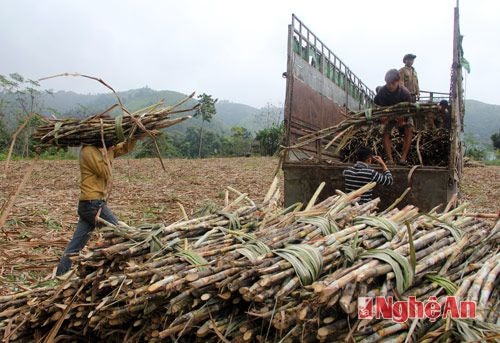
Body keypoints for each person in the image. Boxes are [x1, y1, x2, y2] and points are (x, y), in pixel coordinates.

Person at [55, 137, 137, 276]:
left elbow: (124, 148)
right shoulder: (89, 151)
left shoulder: (101, 149)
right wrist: (108, 151)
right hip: (92, 204)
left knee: (75, 246)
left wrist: (135, 136)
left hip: (91, 204)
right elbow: (106, 172)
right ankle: (129, 270)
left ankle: (60, 275)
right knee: (123, 233)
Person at [374, 69, 413, 166]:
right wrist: (383, 117)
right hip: (389, 114)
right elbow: (379, 107)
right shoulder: (382, 92)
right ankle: (390, 159)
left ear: (398, 81)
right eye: (388, 83)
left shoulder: (405, 93)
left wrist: (403, 119)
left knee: (409, 128)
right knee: (385, 132)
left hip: (402, 114)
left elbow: (409, 110)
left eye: (392, 83)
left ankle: (403, 158)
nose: (390, 85)